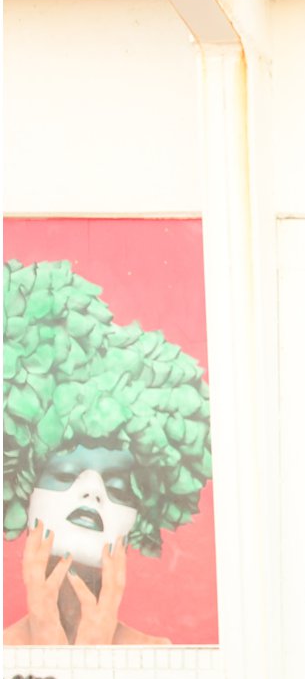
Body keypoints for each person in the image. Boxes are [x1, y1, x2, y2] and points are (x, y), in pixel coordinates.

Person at [2, 259, 213, 645]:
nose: (93, 494)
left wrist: (95, 653)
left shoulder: (157, 656)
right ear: (22, 488)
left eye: (118, 486)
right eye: (65, 474)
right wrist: (45, 638)